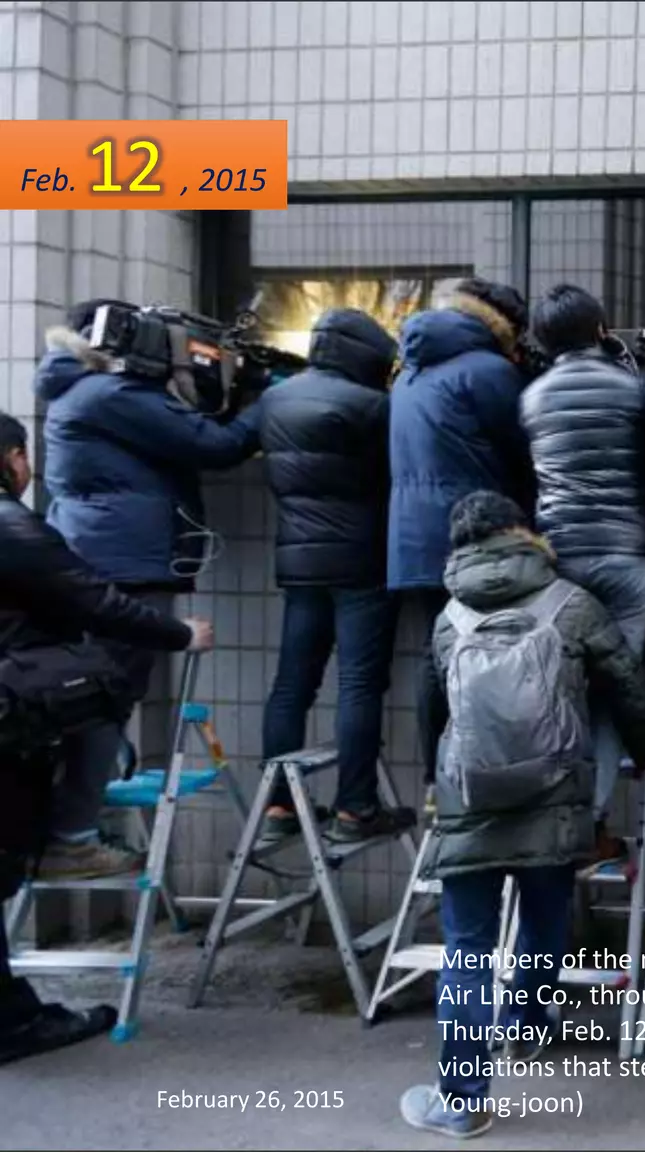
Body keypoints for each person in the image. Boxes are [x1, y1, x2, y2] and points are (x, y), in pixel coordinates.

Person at [400, 491, 645, 1139]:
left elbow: (429, 708)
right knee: (545, 921)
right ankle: (525, 1028)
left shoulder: (450, 616)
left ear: (461, 548)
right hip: (553, 792)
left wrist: (436, 779)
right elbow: (625, 683)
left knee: (467, 950)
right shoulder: (569, 603)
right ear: (522, 533)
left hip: (471, 797)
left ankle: (461, 1100)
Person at [0, 411, 212, 1064]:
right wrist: (180, 634)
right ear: (10, 458)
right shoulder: (13, 527)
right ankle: (14, 1023)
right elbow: (94, 601)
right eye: (23, 455)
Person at [34, 303, 259, 877]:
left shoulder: (82, 391)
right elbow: (214, 443)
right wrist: (269, 402)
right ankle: (72, 836)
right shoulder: (112, 396)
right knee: (105, 695)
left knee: (97, 695)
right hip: (125, 564)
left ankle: (76, 813)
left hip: (99, 553)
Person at [251, 309, 409, 851]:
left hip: (298, 561)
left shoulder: (273, 399)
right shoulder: (373, 406)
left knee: (293, 683)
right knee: (358, 684)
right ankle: (355, 807)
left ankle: (276, 804)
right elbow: (398, 468)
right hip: (362, 561)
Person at [518, 284, 645, 858]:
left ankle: (549, 817)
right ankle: (592, 820)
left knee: (561, 689)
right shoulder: (636, 389)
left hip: (562, 555)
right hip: (630, 552)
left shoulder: (530, 398)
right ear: (601, 328)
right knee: (612, 691)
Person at [387, 278, 533, 603]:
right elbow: (522, 451)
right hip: (472, 536)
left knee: (440, 642)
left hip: (412, 537)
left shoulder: (409, 372)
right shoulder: (490, 370)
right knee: (480, 644)